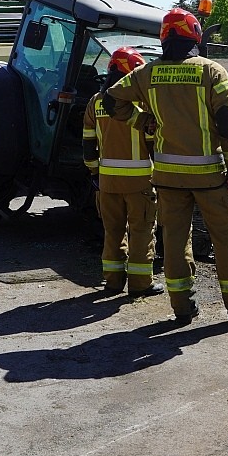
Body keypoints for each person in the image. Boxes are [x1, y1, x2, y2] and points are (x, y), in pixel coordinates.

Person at [105, 8, 228, 326]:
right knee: (226, 238)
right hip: (210, 177)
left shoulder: (148, 73)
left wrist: (144, 121)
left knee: (176, 241)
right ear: (194, 35)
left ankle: (182, 307)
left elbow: (111, 99)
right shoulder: (211, 72)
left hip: (167, 177)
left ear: (164, 39)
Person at [83, 47, 162, 298]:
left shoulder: (95, 103)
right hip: (139, 182)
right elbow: (153, 143)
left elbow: (87, 145)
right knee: (141, 232)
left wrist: (95, 173)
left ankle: (113, 282)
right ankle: (140, 285)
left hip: (107, 183)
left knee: (113, 231)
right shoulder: (141, 104)